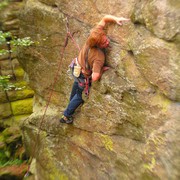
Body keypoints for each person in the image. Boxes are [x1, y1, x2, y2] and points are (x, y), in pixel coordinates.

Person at [60, 15, 130, 124]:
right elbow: (95, 77)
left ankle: (70, 103)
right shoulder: (98, 57)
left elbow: (104, 18)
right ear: (97, 44)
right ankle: (66, 116)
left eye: (106, 39)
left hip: (75, 67)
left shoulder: (94, 36)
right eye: (104, 43)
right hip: (82, 74)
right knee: (79, 96)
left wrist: (115, 19)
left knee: (76, 84)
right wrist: (101, 70)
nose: (107, 42)